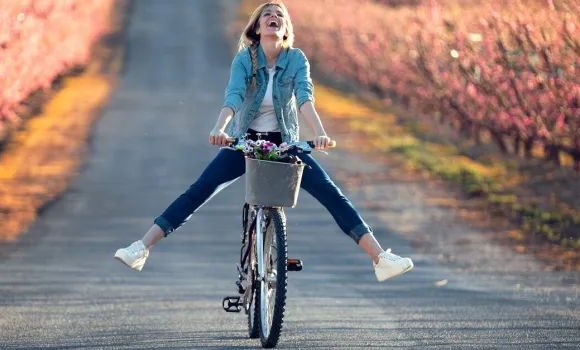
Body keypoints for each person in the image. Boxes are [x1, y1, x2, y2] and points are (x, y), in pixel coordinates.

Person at [114, 0, 413, 282]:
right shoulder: (245, 60)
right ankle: (142, 248)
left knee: (331, 193)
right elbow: (233, 96)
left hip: (285, 144)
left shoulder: (296, 59)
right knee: (200, 190)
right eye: (267, 13)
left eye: (280, 14)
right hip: (247, 142)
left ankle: (380, 259)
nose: (274, 16)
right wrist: (220, 128)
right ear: (257, 27)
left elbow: (305, 97)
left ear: (285, 29)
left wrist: (319, 133)